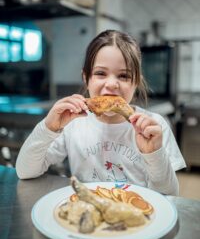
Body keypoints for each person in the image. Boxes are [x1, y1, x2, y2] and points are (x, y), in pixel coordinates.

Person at [16, 30, 186, 196]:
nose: (112, 84)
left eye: (124, 76)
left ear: (136, 82)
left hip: (137, 217)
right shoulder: (73, 123)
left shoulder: (154, 126)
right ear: (86, 78)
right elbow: (25, 171)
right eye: (100, 73)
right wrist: (48, 128)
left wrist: (153, 154)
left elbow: (169, 194)